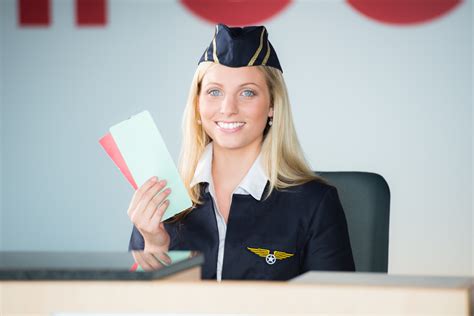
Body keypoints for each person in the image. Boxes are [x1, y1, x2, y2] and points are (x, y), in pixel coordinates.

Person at [128, 23, 355, 281]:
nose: (228, 108)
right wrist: (156, 246)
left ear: (272, 105)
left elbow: (338, 305)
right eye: (215, 92)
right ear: (198, 105)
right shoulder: (164, 200)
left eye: (248, 93)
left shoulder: (315, 203)